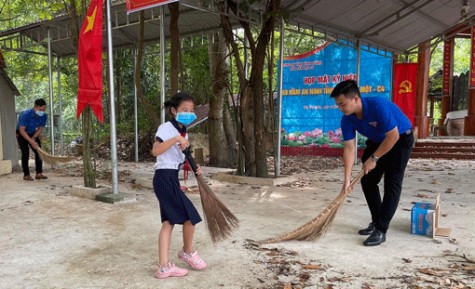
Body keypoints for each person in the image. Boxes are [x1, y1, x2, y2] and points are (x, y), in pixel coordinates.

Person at [330, 80, 414, 246]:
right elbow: (349, 147)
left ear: (355, 99)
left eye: (342, 104)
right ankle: (376, 221)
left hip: (401, 139)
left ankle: (381, 229)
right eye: (338, 105)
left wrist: (374, 159)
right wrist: (346, 180)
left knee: (392, 183)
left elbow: (393, 136)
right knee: (368, 181)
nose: (340, 108)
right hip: (377, 141)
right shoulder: (347, 119)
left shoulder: (377, 105)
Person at [151, 92, 207, 279]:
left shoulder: (184, 132)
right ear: (174, 111)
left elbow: (179, 159)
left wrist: (194, 168)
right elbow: (156, 151)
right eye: (184, 110)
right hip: (164, 178)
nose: (189, 113)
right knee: (191, 216)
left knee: (168, 223)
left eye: (191, 111)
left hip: (170, 177)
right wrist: (176, 139)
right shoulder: (167, 128)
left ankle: (164, 267)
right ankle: (187, 253)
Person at [16, 98, 48, 181]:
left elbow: (40, 128)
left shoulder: (44, 116)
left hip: (33, 133)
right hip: (21, 133)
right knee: (25, 153)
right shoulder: (25, 114)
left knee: (39, 151)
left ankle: (39, 173)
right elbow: (22, 130)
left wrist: (33, 138)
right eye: (40, 109)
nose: (42, 111)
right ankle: (26, 175)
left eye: (44, 109)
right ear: (35, 107)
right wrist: (30, 141)